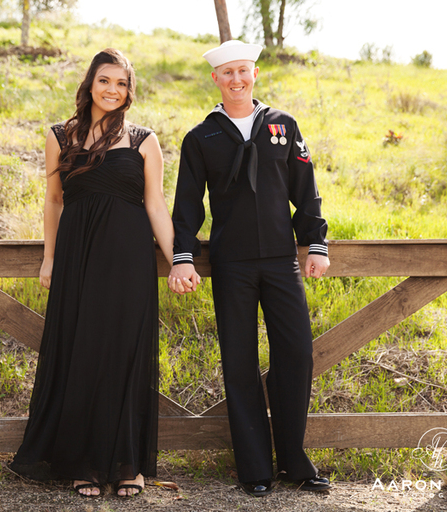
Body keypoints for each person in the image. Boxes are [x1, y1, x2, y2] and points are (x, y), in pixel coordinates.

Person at [8, 48, 175, 498]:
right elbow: (54, 202)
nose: (113, 90)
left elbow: (156, 205)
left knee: (126, 353)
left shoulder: (144, 140)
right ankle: (83, 463)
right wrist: (50, 258)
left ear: (129, 91)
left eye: (122, 83)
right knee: (81, 352)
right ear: (90, 84)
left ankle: (128, 464)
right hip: (78, 257)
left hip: (128, 260)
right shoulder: (60, 135)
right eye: (105, 81)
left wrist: (177, 258)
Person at [167, 40, 331, 495]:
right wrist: (182, 255)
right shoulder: (202, 137)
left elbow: (306, 188)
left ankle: (294, 462)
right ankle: (255, 468)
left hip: (282, 262)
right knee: (239, 362)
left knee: (296, 355)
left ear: (254, 74)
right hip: (231, 264)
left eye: (243, 71)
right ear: (215, 79)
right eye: (228, 73)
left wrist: (315, 242)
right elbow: (186, 206)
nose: (236, 79)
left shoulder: (283, 125)